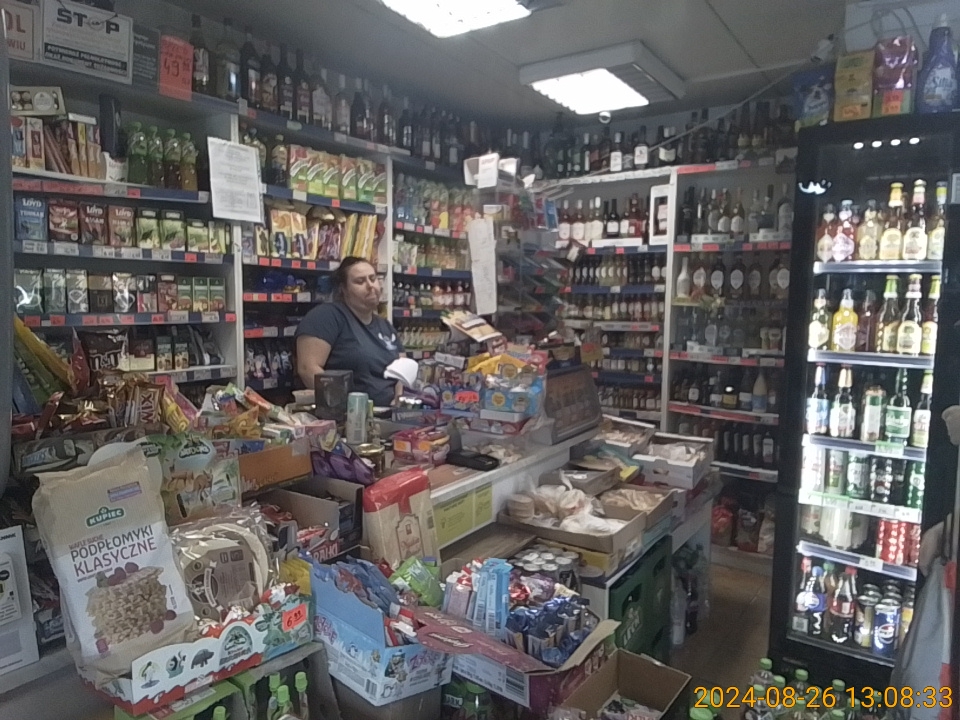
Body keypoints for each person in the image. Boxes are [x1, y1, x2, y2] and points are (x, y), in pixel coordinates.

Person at [296, 256, 403, 406]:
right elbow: (307, 369)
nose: (370, 286)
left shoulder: (385, 325)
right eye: (360, 281)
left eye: (373, 279)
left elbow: (403, 369)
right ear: (344, 289)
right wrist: (348, 407)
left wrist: (400, 398)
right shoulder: (326, 317)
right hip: (348, 414)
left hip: (389, 413)